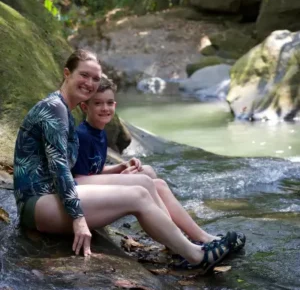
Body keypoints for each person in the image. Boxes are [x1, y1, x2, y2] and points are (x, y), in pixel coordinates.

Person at [13, 49, 238, 275]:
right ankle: (196, 256)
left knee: (145, 183)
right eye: (84, 75)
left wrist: (116, 170)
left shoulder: (65, 111)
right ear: (67, 74)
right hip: (37, 204)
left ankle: (181, 245)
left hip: (53, 196)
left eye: (95, 78)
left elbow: (69, 170)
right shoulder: (54, 109)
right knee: (137, 195)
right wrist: (79, 219)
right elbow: (60, 169)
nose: (89, 83)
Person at [72, 77, 246, 251]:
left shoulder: (99, 132)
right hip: (83, 194)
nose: (105, 108)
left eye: (109, 103)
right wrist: (120, 179)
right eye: (98, 103)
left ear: (115, 106)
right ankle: (178, 241)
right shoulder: (83, 136)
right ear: (85, 107)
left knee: (158, 182)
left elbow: (93, 168)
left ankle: (200, 236)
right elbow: (80, 177)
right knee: (145, 181)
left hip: (91, 185)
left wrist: (119, 168)